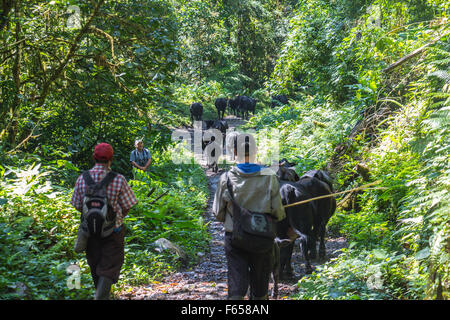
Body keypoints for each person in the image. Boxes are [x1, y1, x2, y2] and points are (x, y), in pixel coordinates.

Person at [212, 134, 285, 300]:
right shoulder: (270, 176)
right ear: (255, 151)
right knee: (260, 289)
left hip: (235, 238)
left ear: (235, 152)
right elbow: (279, 213)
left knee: (236, 288)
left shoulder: (226, 178)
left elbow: (218, 214)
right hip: (263, 239)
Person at [71, 143, 137, 300]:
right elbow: (128, 206)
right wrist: (115, 218)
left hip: (90, 234)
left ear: (94, 158)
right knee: (109, 267)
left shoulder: (82, 179)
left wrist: (94, 218)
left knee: (95, 266)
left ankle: (101, 295)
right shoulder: (118, 179)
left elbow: (78, 206)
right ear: (111, 159)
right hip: (113, 232)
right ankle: (101, 297)